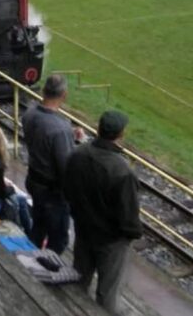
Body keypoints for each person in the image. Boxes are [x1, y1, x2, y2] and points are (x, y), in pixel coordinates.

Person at [64, 111, 142, 315]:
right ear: (120, 134)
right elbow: (129, 217)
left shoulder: (77, 154)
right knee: (107, 295)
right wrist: (131, 235)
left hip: (83, 230)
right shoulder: (122, 171)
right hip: (111, 241)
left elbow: (68, 189)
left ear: (99, 129)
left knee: (78, 281)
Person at [23, 74, 81, 254]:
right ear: (64, 95)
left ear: (43, 90)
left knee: (38, 226)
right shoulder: (59, 128)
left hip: (34, 180)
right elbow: (66, 167)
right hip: (52, 192)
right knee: (58, 239)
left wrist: (69, 134)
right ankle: (45, 272)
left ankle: (30, 261)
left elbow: (45, 134)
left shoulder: (29, 114)